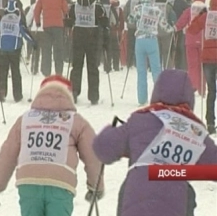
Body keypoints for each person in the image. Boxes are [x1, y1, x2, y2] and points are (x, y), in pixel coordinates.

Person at [93, 69, 217, 216]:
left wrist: (115, 134)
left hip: (134, 207)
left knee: (127, 185)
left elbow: (103, 147)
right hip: (174, 204)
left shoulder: (140, 120)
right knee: (187, 192)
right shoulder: (194, 131)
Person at [0, 75, 104, 216]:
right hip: (61, 185)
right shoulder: (76, 122)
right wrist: (96, 186)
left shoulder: (25, 120)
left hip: (28, 183)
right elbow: (93, 155)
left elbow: (7, 154)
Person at [127, 0, 174, 106]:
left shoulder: (138, 9)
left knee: (141, 71)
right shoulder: (157, 10)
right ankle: (159, 97)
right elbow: (165, 26)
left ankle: (142, 99)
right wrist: (172, 28)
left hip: (140, 41)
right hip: (152, 41)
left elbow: (130, 21)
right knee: (156, 70)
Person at [66, 0, 109, 105]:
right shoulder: (98, 6)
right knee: (93, 67)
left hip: (78, 37)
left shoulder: (74, 6)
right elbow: (105, 23)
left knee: (76, 66)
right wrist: (106, 40)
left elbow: (68, 22)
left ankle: (74, 92)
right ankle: (93, 96)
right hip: (93, 37)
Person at [0, 0, 36, 103]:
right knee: (15, 71)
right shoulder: (18, 20)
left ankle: (2, 92)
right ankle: (17, 95)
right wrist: (33, 43)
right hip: (15, 50)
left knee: (3, 71)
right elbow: (24, 34)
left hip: (2, 49)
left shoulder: (2, 19)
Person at [187, 0, 217, 134]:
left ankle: (210, 122)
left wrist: (200, 15)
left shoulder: (207, 16)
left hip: (208, 58)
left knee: (212, 91)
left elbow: (192, 29)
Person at [175, 0, 206, 96]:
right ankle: (202, 89)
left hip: (190, 41)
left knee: (192, 65)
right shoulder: (206, 11)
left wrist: (175, 28)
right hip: (203, 41)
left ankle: (193, 86)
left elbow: (181, 22)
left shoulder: (189, 10)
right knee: (203, 65)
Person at [34, 0, 68, 76]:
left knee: (46, 50)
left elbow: (36, 11)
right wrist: (66, 21)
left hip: (47, 27)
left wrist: (38, 22)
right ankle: (59, 71)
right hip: (58, 27)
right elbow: (66, 11)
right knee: (58, 50)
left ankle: (46, 72)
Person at [155, 0, 177, 70]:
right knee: (166, 52)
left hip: (155, 32)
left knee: (156, 53)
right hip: (166, 33)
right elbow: (173, 18)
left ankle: (156, 68)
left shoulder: (153, 6)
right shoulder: (168, 6)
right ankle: (168, 68)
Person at [169, 0, 190, 70]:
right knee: (180, 47)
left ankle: (173, 64)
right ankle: (181, 65)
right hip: (179, 27)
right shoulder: (179, 1)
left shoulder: (167, 0)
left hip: (168, 27)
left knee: (171, 47)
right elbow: (189, 9)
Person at [26, 0, 44, 75]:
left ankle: (34, 68)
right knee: (45, 51)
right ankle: (44, 68)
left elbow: (28, 18)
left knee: (35, 50)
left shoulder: (33, 6)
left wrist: (27, 26)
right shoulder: (46, 5)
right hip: (45, 30)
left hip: (35, 30)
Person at [123, 0, 141, 68]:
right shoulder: (144, 2)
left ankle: (129, 63)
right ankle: (138, 62)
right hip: (140, 28)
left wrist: (127, 21)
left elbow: (125, 13)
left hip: (131, 27)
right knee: (139, 46)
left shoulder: (130, 1)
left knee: (130, 45)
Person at [109, 0, 124, 71]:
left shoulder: (107, 8)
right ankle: (116, 66)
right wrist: (121, 30)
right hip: (116, 32)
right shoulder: (119, 9)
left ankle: (107, 66)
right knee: (116, 50)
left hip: (108, 32)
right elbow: (122, 21)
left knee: (108, 49)